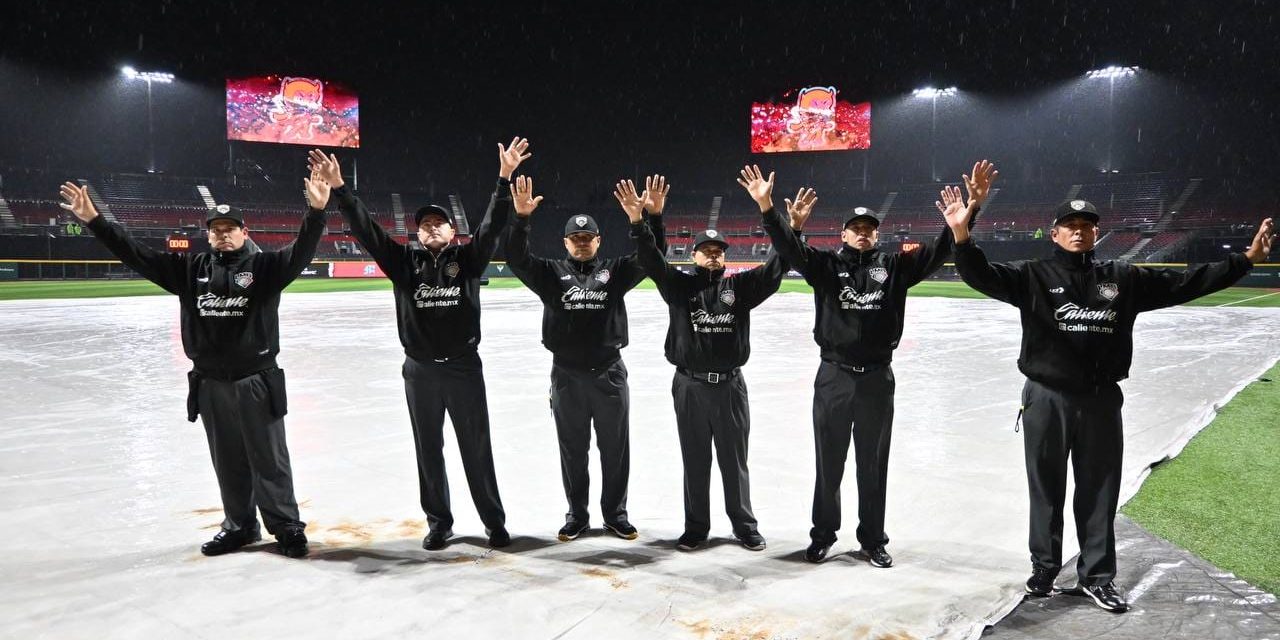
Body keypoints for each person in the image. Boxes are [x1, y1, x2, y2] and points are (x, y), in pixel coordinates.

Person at [946, 193, 1274, 613]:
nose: (1079, 230)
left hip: (1100, 401)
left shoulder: (1123, 277)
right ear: (1056, 233)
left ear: (1097, 232)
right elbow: (979, 274)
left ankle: (1097, 578)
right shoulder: (1033, 275)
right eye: (1071, 224)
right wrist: (961, 232)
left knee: (1099, 491)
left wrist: (1245, 260)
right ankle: (1044, 568)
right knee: (1045, 488)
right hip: (1046, 398)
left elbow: (1187, 282)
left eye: (1087, 224)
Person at [57, 170, 330, 559]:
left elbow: (301, 251)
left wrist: (317, 211)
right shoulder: (190, 270)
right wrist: (96, 222)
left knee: (270, 461)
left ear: (243, 231)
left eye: (229, 228)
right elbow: (138, 255)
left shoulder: (266, 269)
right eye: (215, 228)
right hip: (211, 383)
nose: (222, 234)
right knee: (229, 462)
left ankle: (286, 527)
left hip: (256, 380)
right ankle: (239, 527)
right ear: (208, 234)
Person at [747, 161, 996, 566]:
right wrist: (768, 210)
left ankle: (872, 539)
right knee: (829, 462)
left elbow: (939, 251)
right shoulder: (825, 266)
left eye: (869, 229)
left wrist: (969, 212)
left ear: (877, 234)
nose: (863, 233)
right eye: (855, 228)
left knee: (872, 464)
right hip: (834, 376)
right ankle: (823, 535)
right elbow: (790, 249)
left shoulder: (896, 267)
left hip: (878, 379)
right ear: (843, 234)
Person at [309, 139, 530, 550]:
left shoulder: (468, 260)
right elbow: (367, 231)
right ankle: (439, 522)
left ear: (452, 231)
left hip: (464, 367)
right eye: (424, 223)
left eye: (438, 223)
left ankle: (493, 522)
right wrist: (341, 189)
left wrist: (504, 178)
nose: (431, 227)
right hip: (421, 371)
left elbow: (492, 225)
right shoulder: (403, 263)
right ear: (416, 231)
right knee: (428, 450)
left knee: (476, 449)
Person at [620, 178, 783, 552]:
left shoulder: (740, 289)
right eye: (705, 250)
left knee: (734, 461)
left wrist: (773, 215)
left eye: (718, 251)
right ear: (692, 255)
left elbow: (776, 269)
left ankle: (744, 525)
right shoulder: (678, 287)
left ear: (725, 257)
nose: (712, 255)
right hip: (690, 386)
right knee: (695, 460)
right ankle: (696, 527)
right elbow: (650, 260)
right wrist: (641, 221)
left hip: (729, 386)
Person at [504, 173, 668, 541]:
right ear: (565, 242)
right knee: (573, 451)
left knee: (615, 450)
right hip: (566, 376)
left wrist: (646, 220)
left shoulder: (616, 270)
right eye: (575, 239)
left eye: (587, 238)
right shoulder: (549, 273)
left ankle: (615, 514)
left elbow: (654, 260)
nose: (581, 244)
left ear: (598, 241)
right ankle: (577, 515)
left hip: (608, 374)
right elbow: (515, 257)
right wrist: (520, 219)